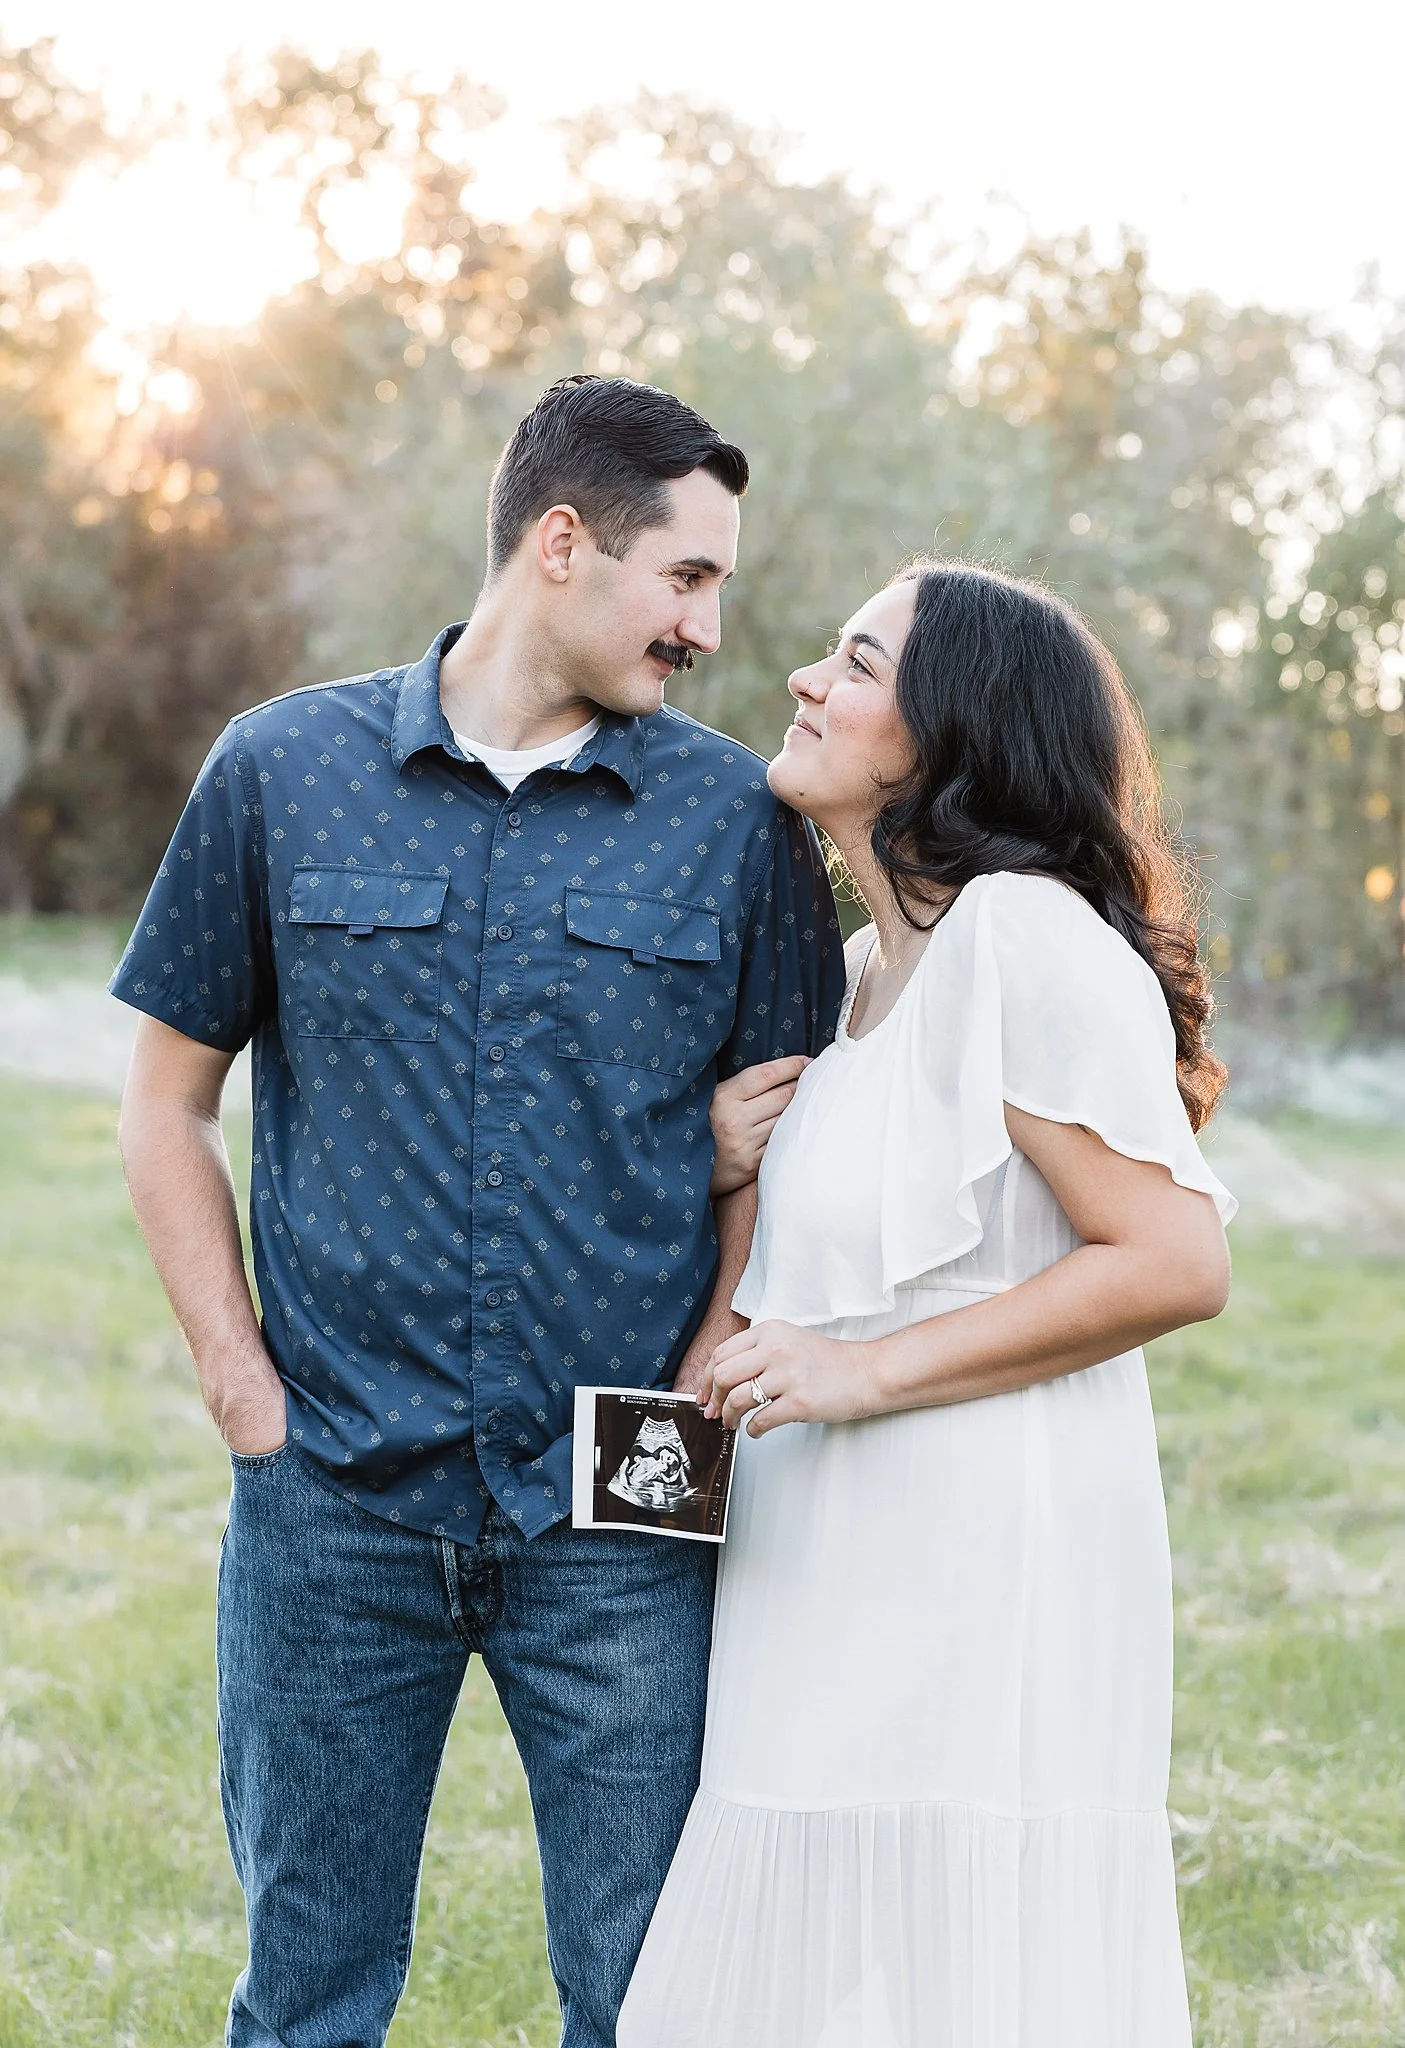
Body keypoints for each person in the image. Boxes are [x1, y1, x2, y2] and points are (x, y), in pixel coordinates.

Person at [110, 374, 843, 2048]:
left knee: (658, 1996)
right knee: (306, 1997)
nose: (711, 629)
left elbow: (793, 1144)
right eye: (689, 577)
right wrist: (242, 1392)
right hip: (333, 1496)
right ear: (564, 546)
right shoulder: (281, 770)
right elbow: (164, 1099)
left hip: (624, 1498)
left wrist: (703, 1367)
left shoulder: (736, 820)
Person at [619, 560, 1237, 2048]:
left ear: (953, 731)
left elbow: (1171, 1259)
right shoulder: (846, 984)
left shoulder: (1023, 938)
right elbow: (793, 1292)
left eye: (856, 663)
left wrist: (860, 1375)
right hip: (813, 1568)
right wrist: (716, 1179)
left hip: (972, 1569)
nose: (802, 683)